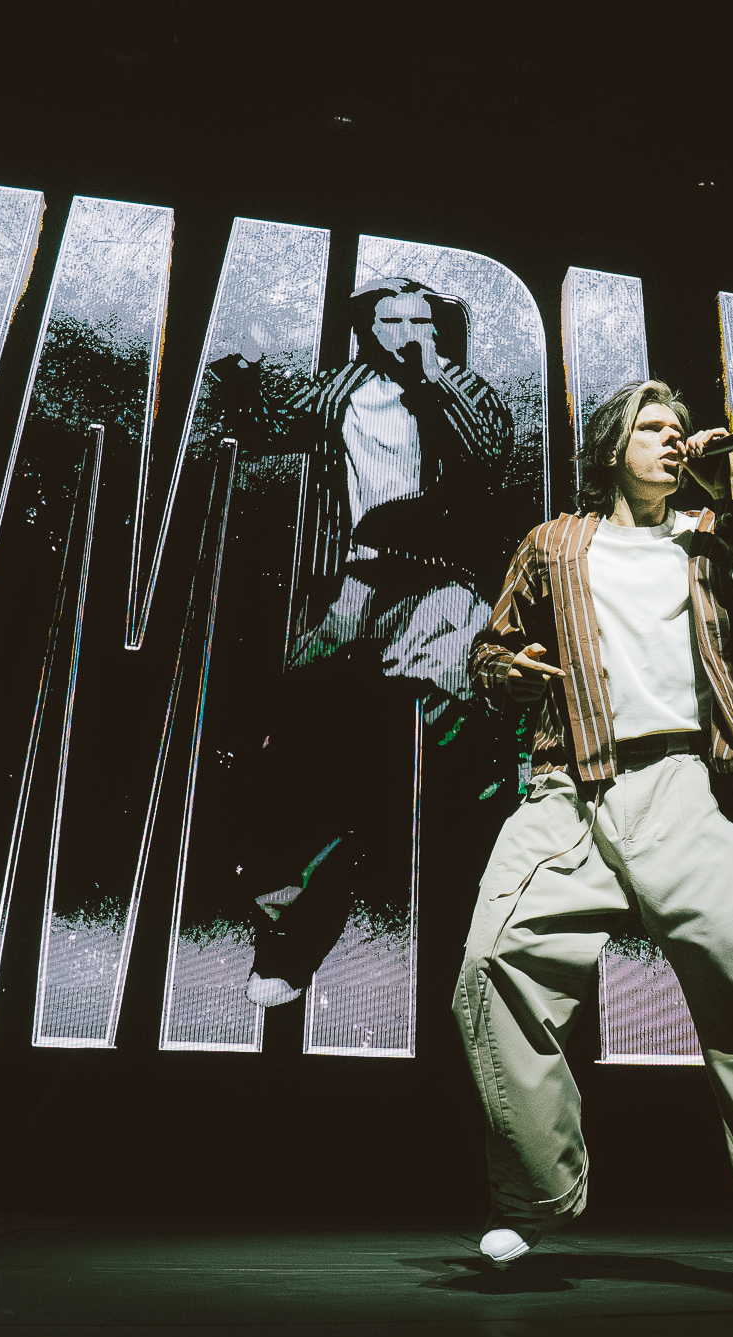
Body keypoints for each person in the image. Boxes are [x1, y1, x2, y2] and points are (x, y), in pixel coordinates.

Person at [453, 379, 733, 1303]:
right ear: (613, 445)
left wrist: (730, 498)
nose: (674, 439)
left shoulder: (712, 533)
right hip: (570, 785)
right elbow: (489, 650)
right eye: (654, 426)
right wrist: (509, 670)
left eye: (681, 429)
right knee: (492, 965)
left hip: (685, 783)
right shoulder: (555, 541)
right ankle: (535, 1192)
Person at [212, 278, 515, 1007]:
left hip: (438, 586)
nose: (408, 329)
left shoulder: (464, 388)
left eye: (421, 319)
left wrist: (433, 381)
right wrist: (241, 367)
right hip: (355, 585)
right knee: (303, 756)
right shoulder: (343, 389)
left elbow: (488, 457)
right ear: (367, 329)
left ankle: (486, 937)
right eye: (391, 318)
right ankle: (288, 939)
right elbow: (268, 424)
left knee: (459, 753)